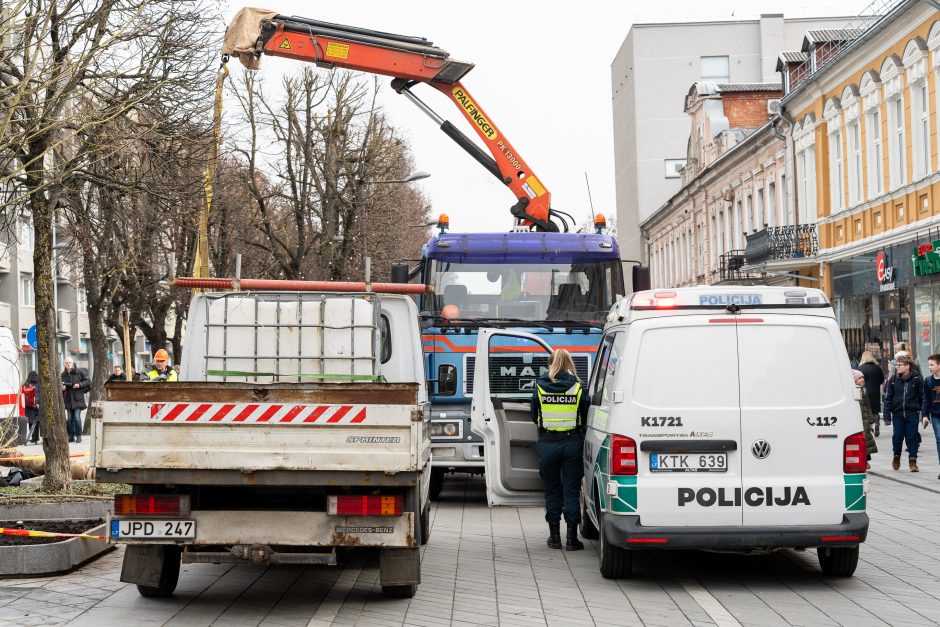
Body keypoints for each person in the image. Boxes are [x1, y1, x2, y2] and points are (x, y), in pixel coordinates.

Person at [530, 349, 589, 551]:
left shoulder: (540, 386)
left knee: (552, 490)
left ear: (551, 364)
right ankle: (572, 539)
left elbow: (533, 414)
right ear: (569, 364)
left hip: (548, 443)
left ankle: (554, 538)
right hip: (572, 443)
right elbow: (586, 413)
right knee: (571, 491)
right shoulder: (577, 387)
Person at [884, 354, 923, 472]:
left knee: (912, 437)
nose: (897, 367)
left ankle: (913, 461)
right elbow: (888, 398)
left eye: (900, 365)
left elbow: (922, 397)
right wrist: (887, 416)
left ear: (907, 366)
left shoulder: (917, 379)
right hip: (898, 414)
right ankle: (896, 456)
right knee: (897, 437)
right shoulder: (894, 380)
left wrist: (924, 414)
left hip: (912, 413)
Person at [61, 358, 90, 443]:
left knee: (77, 417)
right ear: (64, 365)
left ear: (72, 363)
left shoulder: (79, 372)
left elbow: (88, 381)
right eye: (66, 363)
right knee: (70, 418)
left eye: (69, 362)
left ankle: (78, 436)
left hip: (78, 398)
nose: (68, 364)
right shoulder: (63, 374)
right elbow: (61, 384)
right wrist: (63, 388)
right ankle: (71, 436)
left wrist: (79, 385)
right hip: (68, 399)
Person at [921, 353, 940, 480]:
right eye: (928, 365)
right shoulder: (928, 380)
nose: (929, 367)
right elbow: (926, 399)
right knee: (939, 440)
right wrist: (924, 415)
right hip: (936, 415)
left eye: (932, 364)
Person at [852, 369, 877, 467]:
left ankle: (865, 460)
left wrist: (871, 420)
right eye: (859, 378)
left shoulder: (864, 391)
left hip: (865, 421)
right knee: (858, 441)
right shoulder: (852, 391)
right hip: (857, 421)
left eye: (862, 378)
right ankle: (862, 460)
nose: (862, 380)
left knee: (865, 440)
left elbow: (868, 406)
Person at [858, 351, 885, 436]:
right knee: (875, 410)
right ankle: (877, 423)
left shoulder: (860, 368)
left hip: (864, 392)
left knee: (866, 410)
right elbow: (881, 380)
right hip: (875, 392)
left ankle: (869, 427)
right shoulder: (877, 368)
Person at [22, 371, 39, 444]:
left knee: (31, 422)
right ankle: (35, 438)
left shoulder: (26, 384)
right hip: (34, 405)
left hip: (29, 405)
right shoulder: (38, 384)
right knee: (35, 422)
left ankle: (33, 437)